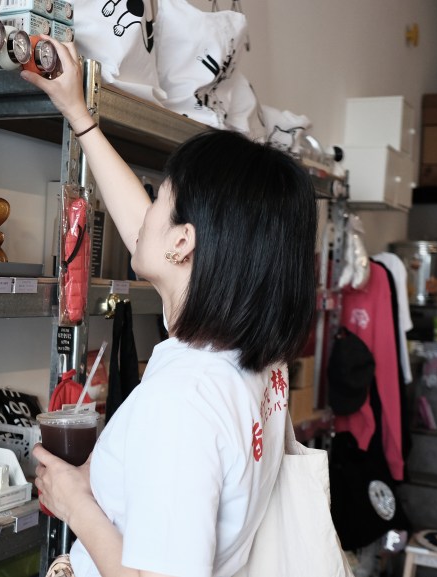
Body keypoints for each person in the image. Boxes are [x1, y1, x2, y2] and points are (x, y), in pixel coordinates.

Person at [23, 39, 317, 577]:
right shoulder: (252, 360)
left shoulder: (184, 402)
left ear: (183, 243)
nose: (147, 209)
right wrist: (79, 115)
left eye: (159, 196)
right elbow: (146, 231)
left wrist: (75, 503)